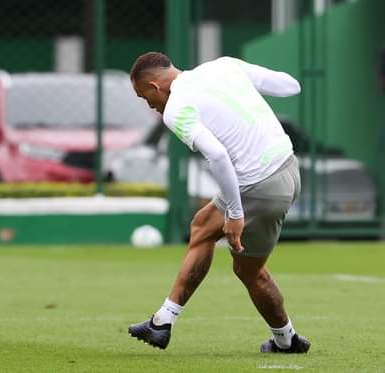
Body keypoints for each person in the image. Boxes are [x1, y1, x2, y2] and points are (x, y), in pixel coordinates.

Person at [127, 52, 310, 353]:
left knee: (250, 272)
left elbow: (218, 156)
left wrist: (236, 214)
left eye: (144, 97)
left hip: (260, 185)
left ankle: (287, 340)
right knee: (201, 226)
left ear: (155, 87)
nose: (150, 106)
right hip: (287, 166)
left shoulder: (176, 109)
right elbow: (291, 86)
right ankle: (163, 321)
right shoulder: (224, 66)